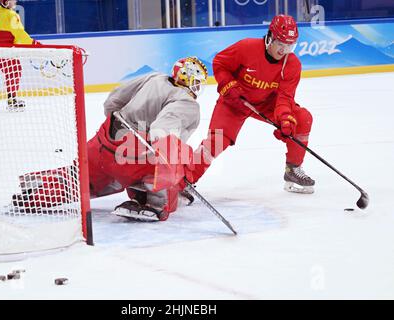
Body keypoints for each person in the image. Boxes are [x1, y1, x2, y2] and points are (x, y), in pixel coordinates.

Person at [190, 14, 315, 194]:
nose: (284, 50)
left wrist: (285, 119)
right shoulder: (246, 47)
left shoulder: (292, 64)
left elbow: (285, 97)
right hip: (235, 101)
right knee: (216, 141)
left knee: (301, 118)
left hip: (265, 104)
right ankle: (187, 178)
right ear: (270, 37)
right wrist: (229, 85)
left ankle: (293, 168)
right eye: (281, 44)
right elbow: (220, 63)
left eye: (290, 45)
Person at [87, 57, 208, 221]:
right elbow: (162, 132)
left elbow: (113, 101)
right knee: (178, 154)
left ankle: (45, 189)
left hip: (103, 144)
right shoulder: (187, 103)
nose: (198, 87)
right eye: (198, 82)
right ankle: (155, 201)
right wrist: (176, 175)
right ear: (189, 78)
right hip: (132, 159)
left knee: (78, 180)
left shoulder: (154, 77)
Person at [0, 0, 39, 111]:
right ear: (6, 2)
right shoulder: (11, 15)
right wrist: (33, 43)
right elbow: (20, 34)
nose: (15, 0)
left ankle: (12, 98)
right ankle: (12, 100)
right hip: (5, 50)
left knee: (11, 72)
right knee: (14, 71)